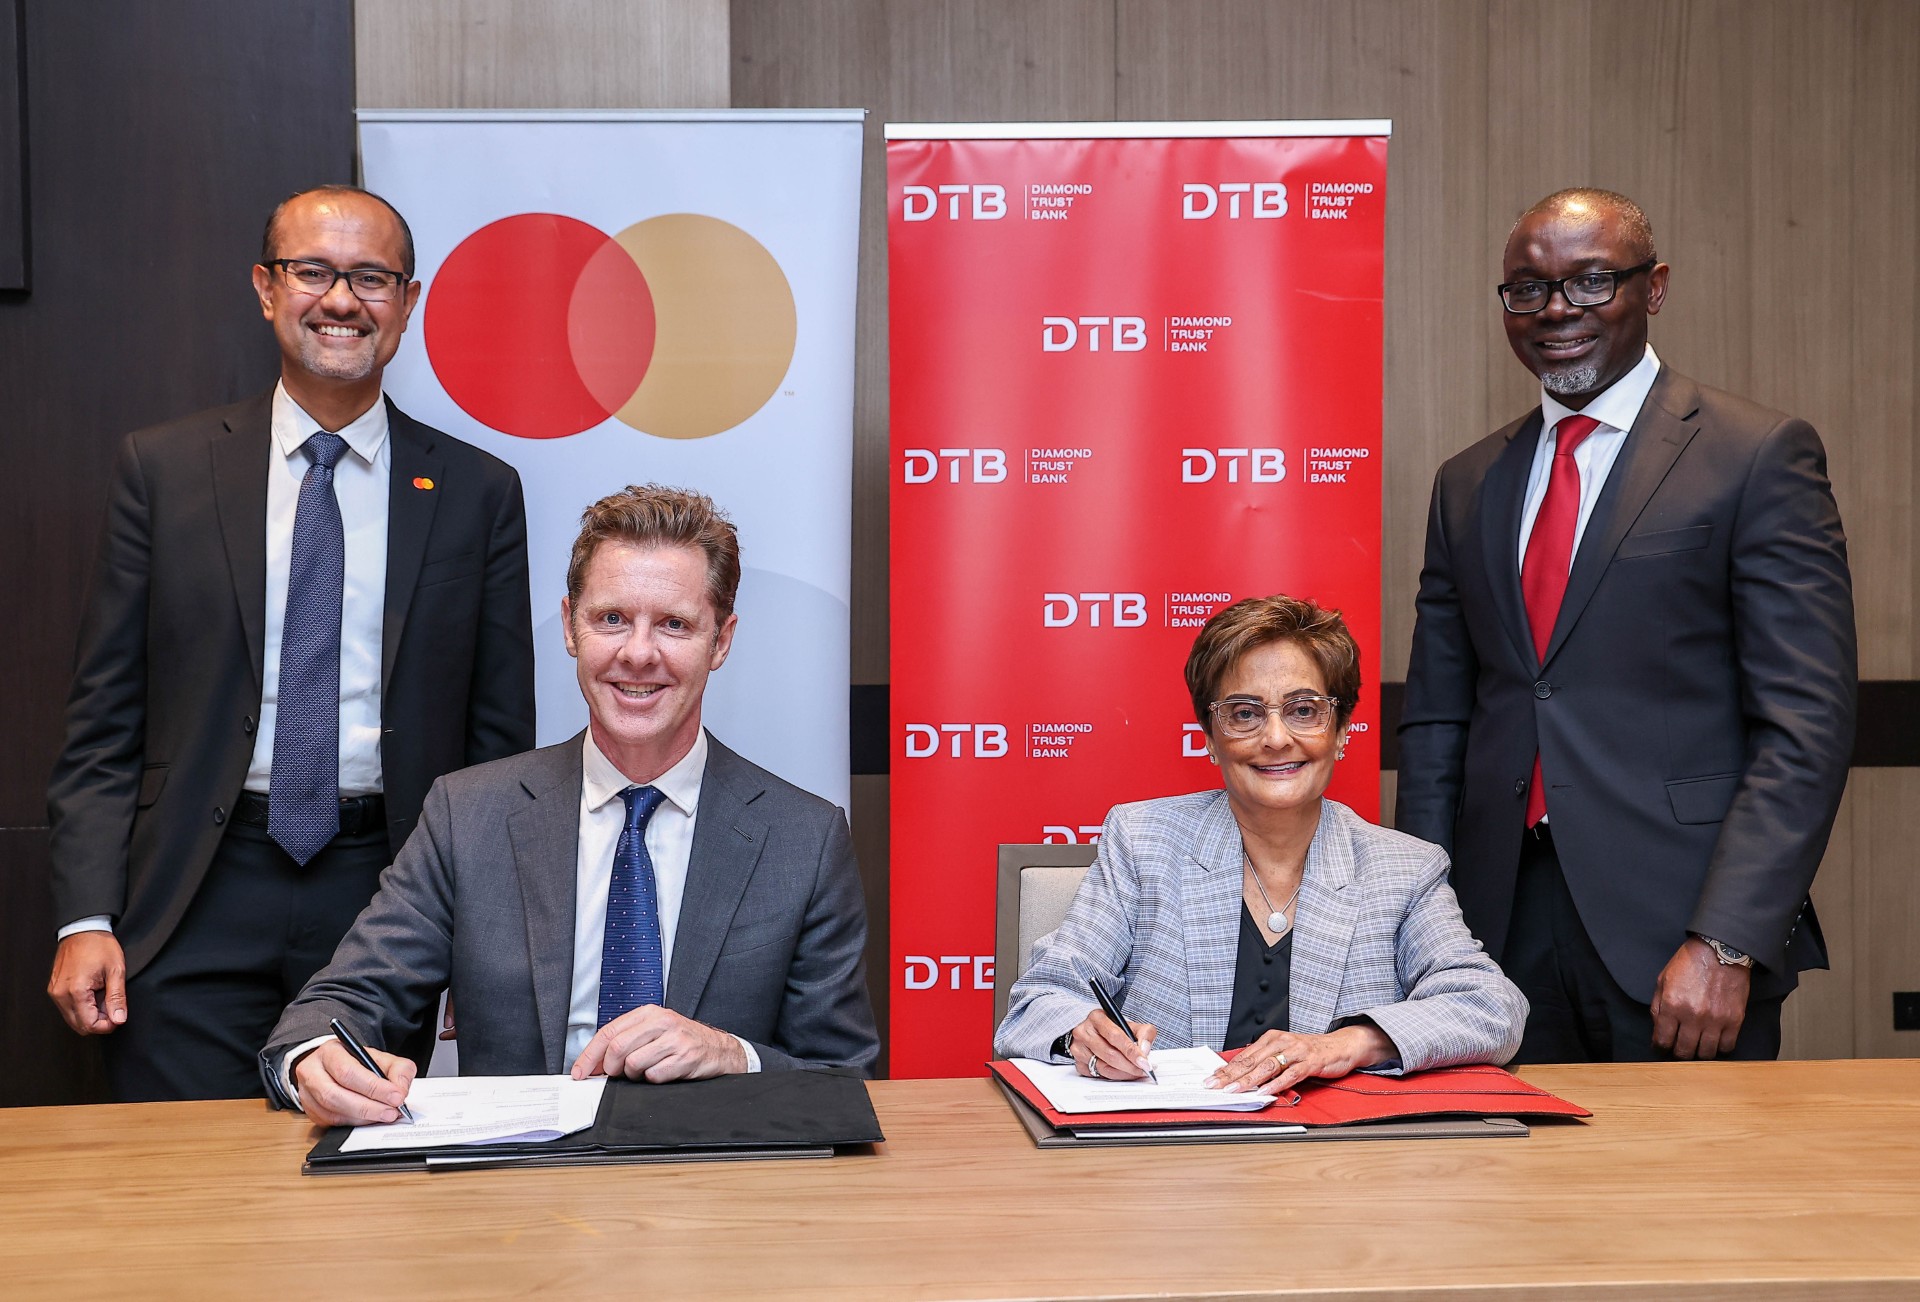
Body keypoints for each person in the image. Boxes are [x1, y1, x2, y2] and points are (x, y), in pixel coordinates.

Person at [45, 185, 535, 1101]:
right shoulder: (164, 470)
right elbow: (103, 722)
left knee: (356, 1191)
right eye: (313, 272)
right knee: (183, 1187)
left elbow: (497, 746)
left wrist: (486, 939)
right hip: (190, 891)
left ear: (408, 303)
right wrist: (84, 916)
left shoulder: (477, 491)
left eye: (371, 278)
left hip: (387, 897)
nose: (342, 300)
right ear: (267, 289)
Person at [1396, 188, 1856, 1063]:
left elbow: (1807, 726)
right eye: (1526, 290)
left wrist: (1729, 938)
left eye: (1591, 281)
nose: (1556, 311)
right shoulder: (1468, 484)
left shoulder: (1755, 455)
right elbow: (1437, 727)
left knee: (1685, 1198)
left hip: (1678, 937)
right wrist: (1422, 928)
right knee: (1503, 1195)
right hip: (1493, 936)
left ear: (1655, 288)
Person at [261, 484, 879, 1126]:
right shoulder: (469, 814)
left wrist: (735, 1056)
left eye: (674, 624)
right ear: (569, 627)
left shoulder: (803, 839)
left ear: (720, 642)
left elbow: (845, 1078)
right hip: (515, 1196)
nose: (638, 653)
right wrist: (314, 1058)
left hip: (713, 1191)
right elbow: (341, 1001)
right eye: (611, 619)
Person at [995, 595, 1525, 1093]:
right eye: (1245, 713)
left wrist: (1352, 1043)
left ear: (1341, 731)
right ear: (1209, 735)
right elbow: (1038, 1002)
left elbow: (1492, 1008)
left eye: (1303, 710)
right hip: (1172, 1160)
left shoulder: (1404, 866)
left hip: (1341, 1166)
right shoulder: (1143, 841)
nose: (1275, 738)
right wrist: (1081, 1037)